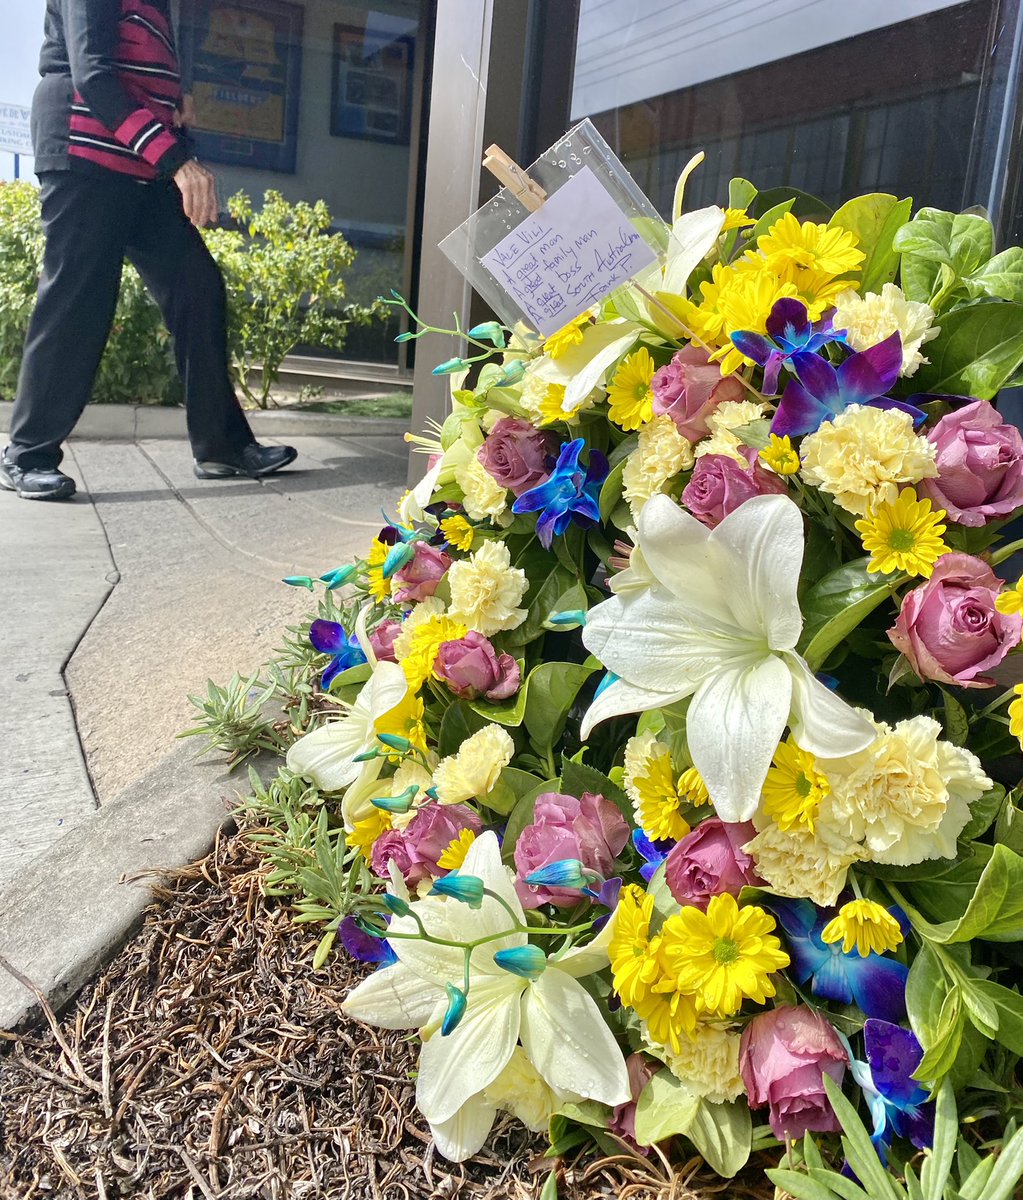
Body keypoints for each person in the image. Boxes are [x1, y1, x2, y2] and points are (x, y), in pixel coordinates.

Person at [0, 0, 296, 501]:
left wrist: (176, 103)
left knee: (197, 287)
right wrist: (179, 160)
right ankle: (27, 454)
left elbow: (139, 73)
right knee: (79, 299)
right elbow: (92, 74)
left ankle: (221, 447)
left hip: (141, 166)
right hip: (84, 151)